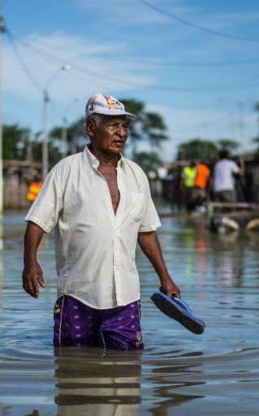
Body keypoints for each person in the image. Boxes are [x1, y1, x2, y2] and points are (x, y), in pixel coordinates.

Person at [22, 93, 180, 351]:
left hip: (126, 297)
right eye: (112, 125)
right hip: (78, 294)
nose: (121, 133)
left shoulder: (136, 175)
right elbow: (37, 221)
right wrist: (30, 262)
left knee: (128, 373)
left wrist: (166, 278)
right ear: (90, 128)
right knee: (71, 367)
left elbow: (147, 232)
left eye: (124, 126)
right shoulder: (66, 171)